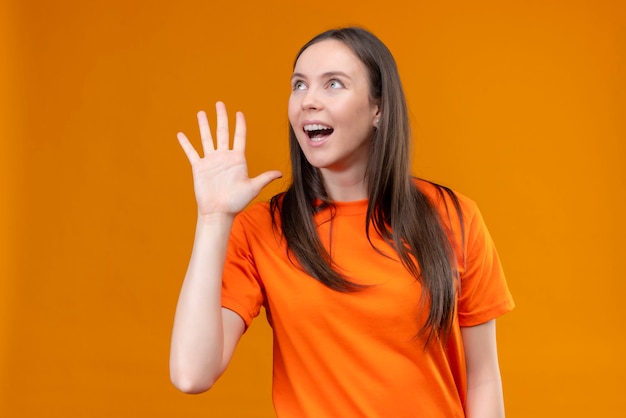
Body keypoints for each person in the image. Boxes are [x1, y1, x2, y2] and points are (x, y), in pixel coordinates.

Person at [170, 27, 514, 418]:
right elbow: (191, 374)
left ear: (378, 108)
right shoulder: (262, 229)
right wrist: (214, 218)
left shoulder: (454, 216)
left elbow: (483, 376)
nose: (308, 101)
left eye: (333, 84)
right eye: (299, 85)